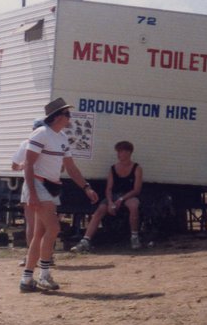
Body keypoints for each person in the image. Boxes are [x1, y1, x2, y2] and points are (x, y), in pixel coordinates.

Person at [19, 98, 99, 292]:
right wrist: (32, 193)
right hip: (38, 185)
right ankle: (44, 276)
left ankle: (27, 279)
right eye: (67, 114)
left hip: (52, 187)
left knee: (40, 233)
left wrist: (86, 187)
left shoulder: (62, 137)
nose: (70, 117)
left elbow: (71, 167)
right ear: (56, 117)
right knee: (53, 229)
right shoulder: (41, 133)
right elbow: (28, 164)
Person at [72, 141, 144, 252]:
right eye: (118, 152)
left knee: (134, 205)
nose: (118, 154)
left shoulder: (137, 168)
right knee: (100, 210)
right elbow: (109, 189)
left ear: (129, 153)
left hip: (128, 196)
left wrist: (121, 199)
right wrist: (110, 202)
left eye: (121, 151)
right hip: (114, 196)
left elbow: (136, 190)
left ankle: (134, 237)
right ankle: (85, 240)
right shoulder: (113, 168)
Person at [11, 118, 45, 266]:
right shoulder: (49, 144)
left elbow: (14, 166)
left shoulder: (26, 144)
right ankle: (42, 256)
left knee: (33, 223)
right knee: (42, 223)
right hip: (46, 185)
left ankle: (32, 256)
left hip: (36, 185)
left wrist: (23, 166)